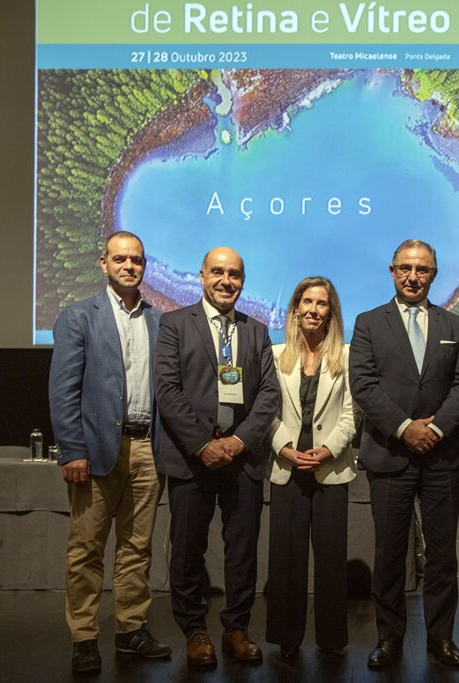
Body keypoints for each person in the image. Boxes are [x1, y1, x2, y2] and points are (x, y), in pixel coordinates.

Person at [349, 239, 459, 669]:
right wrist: (406, 428)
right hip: (389, 453)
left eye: (422, 269)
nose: (413, 276)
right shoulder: (368, 323)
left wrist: (435, 429)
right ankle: (389, 639)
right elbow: (363, 384)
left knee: (442, 555)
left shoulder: (454, 324)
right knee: (389, 554)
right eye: (405, 268)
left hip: (442, 456)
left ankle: (441, 639)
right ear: (392, 271)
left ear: (433, 274)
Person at [48, 230, 171, 673]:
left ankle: (130, 629)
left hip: (148, 448)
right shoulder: (79, 316)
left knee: (137, 547)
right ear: (104, 263)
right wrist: (72, 450)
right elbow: (63, 390)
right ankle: (84, 638)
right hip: (97, 450)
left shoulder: (160, 321)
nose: (128, 266)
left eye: (136, 260)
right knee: (86, 548)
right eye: (120, 259)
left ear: (144, 266)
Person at [153, 246, 280, 667]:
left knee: (242, 552)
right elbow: (167, 391)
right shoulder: (174, 324)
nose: (227, 281)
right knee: (187, 550)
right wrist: (203, 445)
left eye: (235, 274)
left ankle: (236, 628)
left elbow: (269, 394)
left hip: (243, 460)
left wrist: (239, 441)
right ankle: (194, 630)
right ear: (202, 276)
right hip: (191, 459)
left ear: (243, 280)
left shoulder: (257, 330)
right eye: (218, 272)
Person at [266, 277, 356, 661]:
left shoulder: (347, 357)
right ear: (295, 309)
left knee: (331, 559)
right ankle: (287, 638)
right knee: (286, 557)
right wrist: (284, 448)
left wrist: (329, 449)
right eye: (307, 302)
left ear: (330, 313)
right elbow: (265, 411)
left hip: (329, 466)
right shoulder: (274, 356)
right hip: (287, 465)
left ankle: (331, 639)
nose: (313, 310)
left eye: (321, 303)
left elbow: (351, 415)